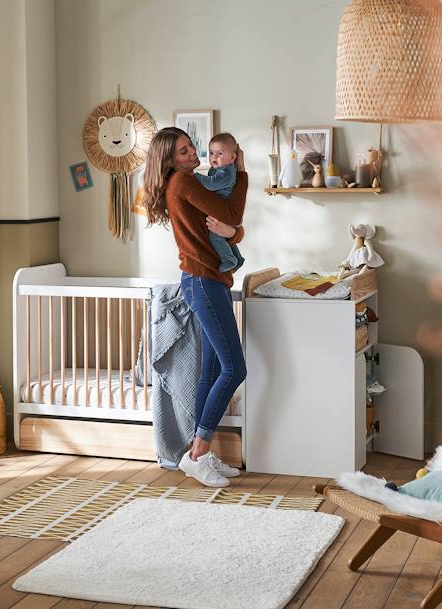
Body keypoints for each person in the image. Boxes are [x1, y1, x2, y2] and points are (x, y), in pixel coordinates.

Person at [143, 127, 248, 487]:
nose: (194, 155)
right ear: (170, 161)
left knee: (213, 369)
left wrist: (233, 232)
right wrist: (243, 173)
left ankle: (197, 452)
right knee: (235, 369)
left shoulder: (189, 182)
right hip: (203, 282)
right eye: (185, 152)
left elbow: (227, 227)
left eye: (192, 147)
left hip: (205, 281)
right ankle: (198, 451)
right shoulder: (184, 183)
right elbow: (233, 215)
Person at [194, 132, 245, 273]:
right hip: (225, 212)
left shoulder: (227, 173)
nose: (214, 157)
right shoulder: (221, 169)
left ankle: (229, 260)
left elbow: (211, 184)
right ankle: (237, 258)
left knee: (215, 236)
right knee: (222, 237)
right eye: (211, 153)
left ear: (232, 157)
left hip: (224, 213)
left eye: (220, 153)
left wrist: (196, 176)